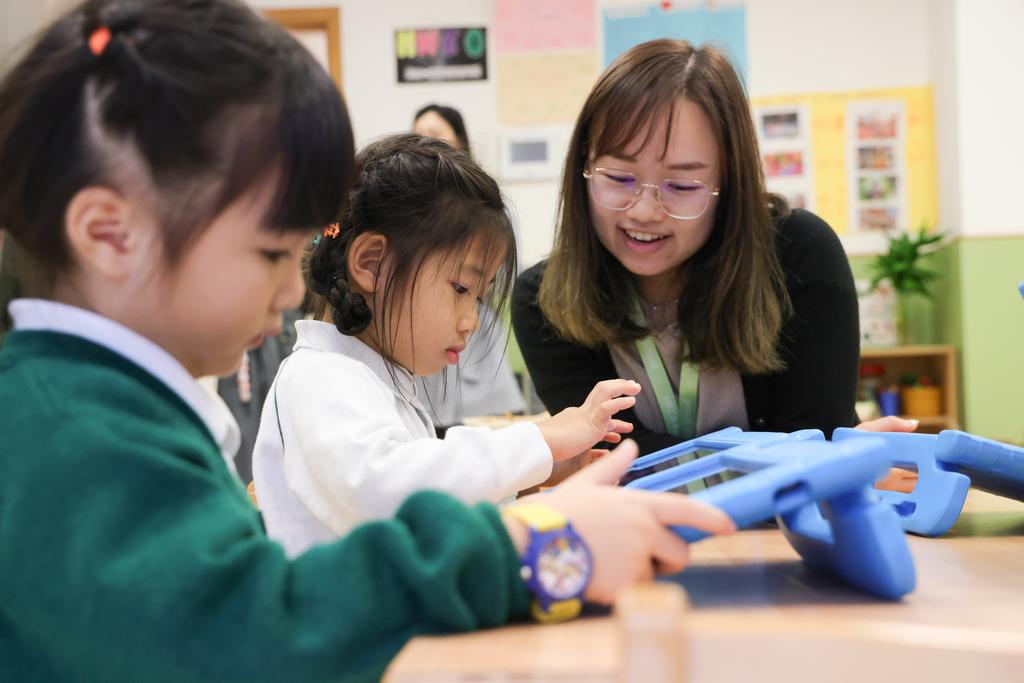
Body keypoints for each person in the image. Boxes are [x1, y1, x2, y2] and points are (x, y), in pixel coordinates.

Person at [0, 4, 734, 680]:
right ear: (110, 234)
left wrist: (533, 488)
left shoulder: (99, 407)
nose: (287, 291)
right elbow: (251, 631)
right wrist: (535, 547)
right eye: (269, 252)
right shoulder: (70, 433)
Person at [252, 133, 644, 557]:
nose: (471, 321)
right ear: (372, 263)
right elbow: (388, 493)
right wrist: (539, 440)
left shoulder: (373, 378)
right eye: (460, 289)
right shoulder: (318, 376)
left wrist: (533, 475)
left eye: (477, 298)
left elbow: (429, 501)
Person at [512, 39, 861, 456]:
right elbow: (614, 455)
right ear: (584, 168)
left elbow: (812, 449)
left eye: (681, 186)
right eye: (619, 178)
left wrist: (821, 453)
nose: (644, 211)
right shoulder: (547, 301)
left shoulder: (799, 257)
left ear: (728, 183)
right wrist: (787, 456)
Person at [411, 102, 526, 430]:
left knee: (486, 429)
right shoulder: (410, 209)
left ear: (459, 141)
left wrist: (465, 286)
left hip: (475, 344)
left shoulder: (488, 205)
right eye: (417, 136)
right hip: (426, 336)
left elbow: (506, 277)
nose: (425, 143)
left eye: (434, 134)